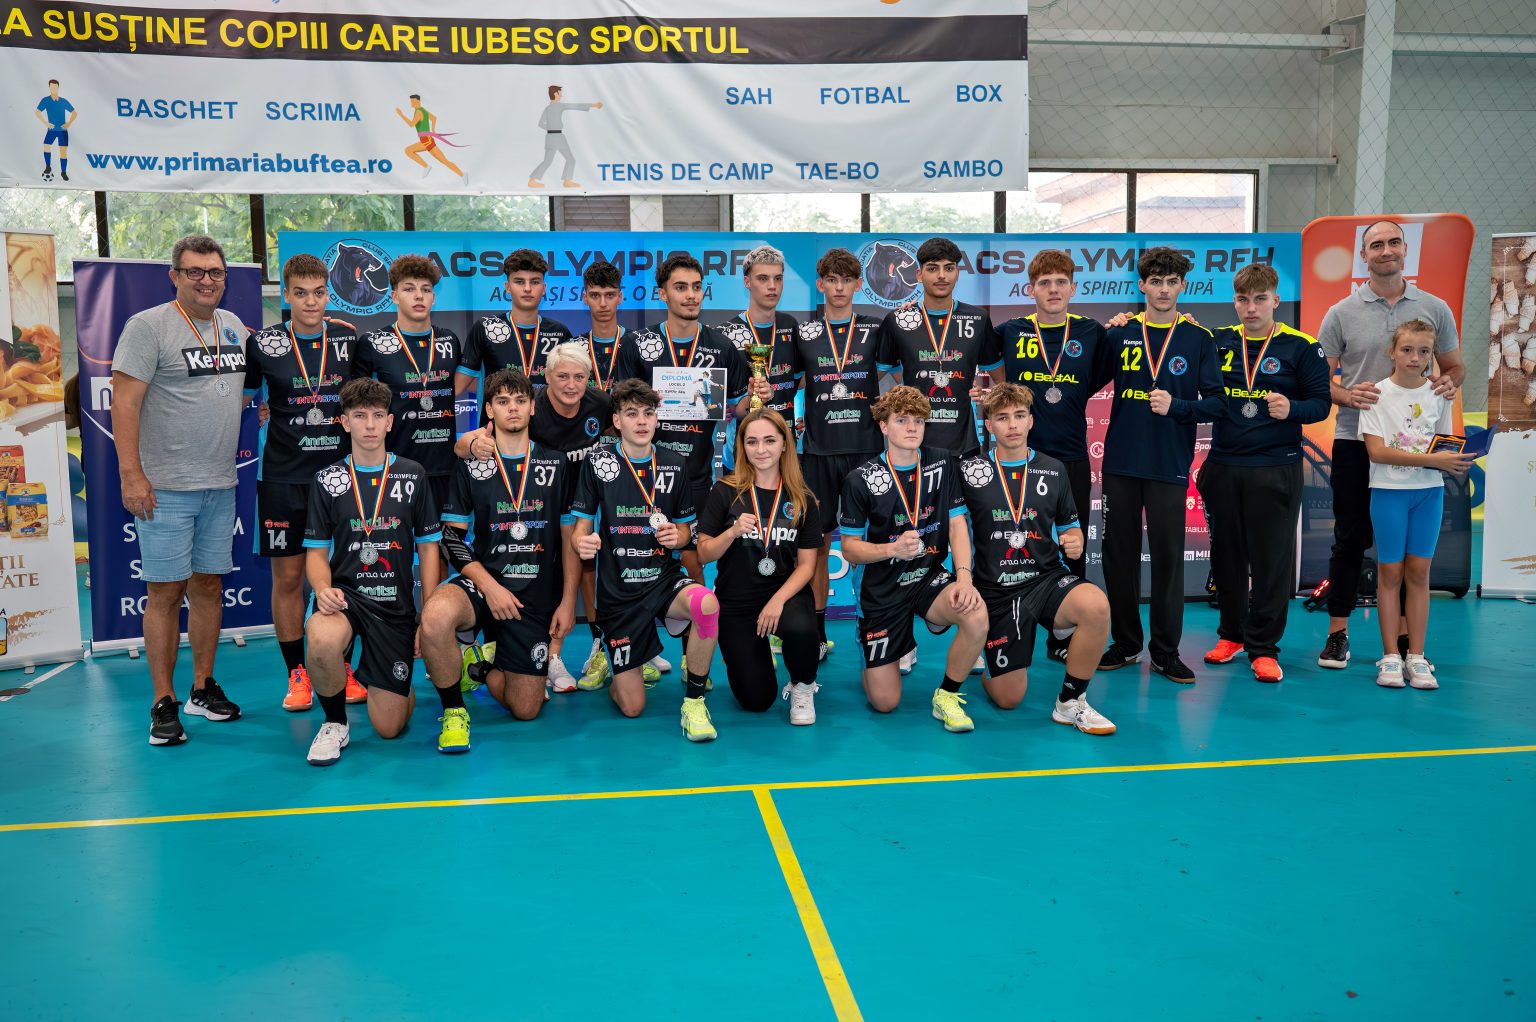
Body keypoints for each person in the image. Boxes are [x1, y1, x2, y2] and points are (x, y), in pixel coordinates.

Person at [112, 234, 246, 746]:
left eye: (215, 272)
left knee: (208, 586)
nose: (206, 280)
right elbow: (124, 404)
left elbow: (233, 390)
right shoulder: (148, 327)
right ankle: (163, 701)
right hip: (165, 487)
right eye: (195, 271)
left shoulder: (233, 327)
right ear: (175, 276)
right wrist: (131, 474)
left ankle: (202, 688)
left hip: (220, 484)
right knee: (166, 593)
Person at [1316, 220, 1464, 670]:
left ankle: (1403, 642)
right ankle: (1337, 634)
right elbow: (1319, 382)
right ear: (1364, 255)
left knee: (1405, 553)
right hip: (1355, 441)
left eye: (1393, 242)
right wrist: (1347, 395)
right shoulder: (1340, 312)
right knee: (1349, 538)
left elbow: (1455, 368)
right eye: (1376, 244)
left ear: (1405, 250)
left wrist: (1450, 383)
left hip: (1417, 446)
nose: (1385, 250)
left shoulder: (1435, 308)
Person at [611, 253, 765, 677]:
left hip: (695, 476)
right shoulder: (639, 344)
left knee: (694, 562)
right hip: (642, 477)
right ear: (662, 294)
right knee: (636, 560)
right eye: (681, 287)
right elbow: (622, 404)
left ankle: (690, 656)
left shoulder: (722, 346)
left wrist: (757, 397)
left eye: (697, 287)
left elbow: (740, 408)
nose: (691, 295)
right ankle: (637, 646)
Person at [419, 369, 579, 734]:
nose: (513, 409)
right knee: (436, 616)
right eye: (503, 402)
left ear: (533, 407)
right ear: (489, 410)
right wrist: (490, 587)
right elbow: (451, 538)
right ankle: (454, 711)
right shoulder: (472, 465)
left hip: (533, 596)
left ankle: (480, 666)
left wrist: (568, 601)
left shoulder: (556, 464)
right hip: (484, 584)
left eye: (521, 401)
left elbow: (569, 539)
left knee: (526, 709)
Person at [569, 379, 724, 742]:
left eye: (648, 413)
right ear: (617, 420)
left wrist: (677, 537)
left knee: (707, 604)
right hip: (619, 593)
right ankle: (622, 663)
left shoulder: (674, 463)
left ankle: (694, 703)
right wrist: (583, 543)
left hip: (663, 580)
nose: (641, 421)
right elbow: (579, 531)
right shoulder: (598, 461)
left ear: (657, 419)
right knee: (632, 706)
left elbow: (686, 533)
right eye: (631, 413)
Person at [244, 253, 367, 710]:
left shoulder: (348, 338)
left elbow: (363, 401)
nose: (311, 302)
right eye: (300, 293)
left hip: (340, 477)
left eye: (318, 293)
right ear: (286, 294)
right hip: (282, 477)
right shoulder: (263, 343)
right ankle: (297, 673)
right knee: (290, 577)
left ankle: (341, 665)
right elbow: (244, 400)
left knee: (343, 575)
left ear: (328, 294)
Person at [1198, 263, 1331, 683]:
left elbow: (1321, 404)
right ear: (1234, 302)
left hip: (1276, 466)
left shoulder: (1302, 346)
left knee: (1271, 562)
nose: (1251, 308)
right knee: (1227, 558)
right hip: (1224, 464)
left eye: (1259, 299)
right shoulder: (1217, 341)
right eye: (1243, 299)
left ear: (1276, 300)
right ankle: (1231, 636)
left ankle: (1264, 648)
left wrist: (1292, 408)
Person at [302, 379, 445, 765]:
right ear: (345, 422)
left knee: (389, 727)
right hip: (346, 598)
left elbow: (429, 550)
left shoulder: (413, 474)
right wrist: (322, 587)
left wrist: (427, 616)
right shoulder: (327, 479)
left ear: (390, 422)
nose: (369, 424)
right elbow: (315, 553)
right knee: (321, 639)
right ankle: (335, 722)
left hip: (394, 605)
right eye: (360, 416)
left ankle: (390, 680)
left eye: (378, 416)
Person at [1097, 247, 1222, 683]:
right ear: (1142, 286)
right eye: (1156, 282)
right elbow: (1081, 379)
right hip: (1121, 462)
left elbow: (1217, 403)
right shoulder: (1120, 334)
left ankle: (1166, 652)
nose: (1164, 290)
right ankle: (1126, 643)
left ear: (1183, 286)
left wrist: (1178, 407)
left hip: (1169, 464)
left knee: (1168, 559)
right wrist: (1108, 328)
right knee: (1119, 557)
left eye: (1172, 282)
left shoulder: (1198, 339)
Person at [960, 384, 1116, 734]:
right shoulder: (970, 471)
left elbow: (1070, 527)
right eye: (1002, 418)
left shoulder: (1054, 469)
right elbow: (955, 528)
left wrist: (1075, 542)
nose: (1013, 425)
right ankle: (988, 657)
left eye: (1019, 416)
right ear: (989, 426)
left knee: (1096, 606)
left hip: (1045, 579)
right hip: (996, 590)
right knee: (1008, 698)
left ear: (1031, 421)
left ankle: (1070, 702)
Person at [839, 386, 988, 733]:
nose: (911, 428)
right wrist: (891, 550)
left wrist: (964, 577)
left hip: (927, 577)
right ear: (883, 426)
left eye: (918, 421)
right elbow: (849, 549)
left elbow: (957, 524)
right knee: (885, 702)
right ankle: (884, 644)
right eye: (902, 420)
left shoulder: (943, 462)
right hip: (881, 589)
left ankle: (947, 695)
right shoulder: (860, 479)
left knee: (976, 613)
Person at [1359, 320, 1473, 689]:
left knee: (1420, 574)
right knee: (1390, 574)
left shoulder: (1440, 394)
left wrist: (1453, 460)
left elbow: (1443, 445)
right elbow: (1377, 452)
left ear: (1432, 355)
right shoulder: (1375, 394)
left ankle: (1417, 656)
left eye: (1424, 351)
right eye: (1407, 349)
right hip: (1388, 492)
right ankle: (1391, 656)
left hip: (1429, 493)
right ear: (1392, 352)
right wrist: (1433, 460)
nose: (1415, 357)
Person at [696, 409, 823, 724]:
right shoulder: (724, 491)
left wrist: (777, 601)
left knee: (801, 627)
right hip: (737, 601)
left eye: (769, 440)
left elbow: (807, 566)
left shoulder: (802, 498)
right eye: (752, 442)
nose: (761, 449)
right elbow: (703, 554)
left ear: (784, 444)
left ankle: (803, 686)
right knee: (757, 700)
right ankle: (752, 655)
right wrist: (731, 532)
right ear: (742, 447)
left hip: (783, 592)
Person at [797, 247, 883, 661]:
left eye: (847, 280)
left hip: (867, 450)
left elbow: (901, 376)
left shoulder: (875, 329)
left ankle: (880, 626)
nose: (839, 288)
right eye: (831, 280)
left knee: (876, 541)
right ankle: (816, 632)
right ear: (820, 285)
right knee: (817, 544)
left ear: (858, 285)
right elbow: (787, 384)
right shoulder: (804, 333)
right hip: (818, 452)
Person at [354, 255, 473, 515]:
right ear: (394, 296)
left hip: (444, 468)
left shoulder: (449, 340)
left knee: (443, 541)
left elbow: (471, 382)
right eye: (409, 289)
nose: (419, 296)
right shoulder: (372, 342)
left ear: (433, 297)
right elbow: (354, 405)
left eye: (426, 289)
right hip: (394, 468)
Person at [875, 236, 1003, 459]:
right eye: (933, 268)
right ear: (919, 274)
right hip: (913, 442)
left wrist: (985, 395)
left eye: (949, 268)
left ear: (957, 273)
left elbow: (1001, 379)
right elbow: (878, 373)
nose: (942, 275)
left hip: (964, 443)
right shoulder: (898, 320)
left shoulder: (978, 319)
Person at [718, 245, 802, 456]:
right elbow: (730, 408)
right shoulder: (726, 333)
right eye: (763, 278)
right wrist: (752, 398)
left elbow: (799, 380)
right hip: (745, 449)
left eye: (778, 278)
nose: (772, 286)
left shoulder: (790, 325)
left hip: (785, 445)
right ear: (747, 282)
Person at [459, 249, 574, 395]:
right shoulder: (485, 328)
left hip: (544, 411)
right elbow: (460, 384)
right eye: (519, 282)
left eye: (535, 282)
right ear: (507, 287)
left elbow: (571, 385)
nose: (527, 288)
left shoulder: (560, 333)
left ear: (544, 288)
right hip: (499, 411)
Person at [528, 85, 602, 189]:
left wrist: (550, 128)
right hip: (557, 137)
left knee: (550, 161)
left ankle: (533, 180)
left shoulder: (548, 108)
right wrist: (593, 105)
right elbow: (575, 106)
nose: (561, 95)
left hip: (552, 137)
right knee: (569, 159)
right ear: (555, 94)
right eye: (560, 93)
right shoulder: (559, 106)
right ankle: (566, 181)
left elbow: (541, 124)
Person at [572, 260, 626, 391]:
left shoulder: (637, 344)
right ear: (585, 298)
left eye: (610, 295)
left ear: (619, 297)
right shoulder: (573, 348)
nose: (603, 303)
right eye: (595, 295)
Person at [395, 94, 464, 177]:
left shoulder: (418, 112)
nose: (411, 103)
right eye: (411, 101)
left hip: (426, 141)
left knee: (408, 150)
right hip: (427, 139)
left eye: (413, 101)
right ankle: (462, 175)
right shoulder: (423, 110)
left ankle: (427, 167)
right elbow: (434, 118)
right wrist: (433, 130)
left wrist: (401, 114)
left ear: (418, 101)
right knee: (444, 161)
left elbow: (411, 124)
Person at [35, 79, 76, 182]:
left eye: (55, 87)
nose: (53, 88)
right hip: (52, 130)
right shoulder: (46, 100)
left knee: (63, 151)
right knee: (46, 145)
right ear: (49, 87)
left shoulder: (63, 101)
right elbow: (37, 112)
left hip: (62, 130)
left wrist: (69, 123)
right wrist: (46, 123)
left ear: (58, 87)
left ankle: (63, 172)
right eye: (51, 86)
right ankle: (48, 166)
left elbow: (74, 113)